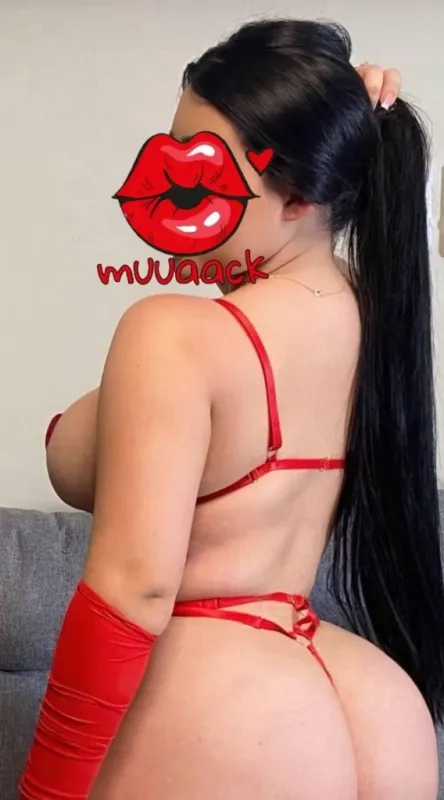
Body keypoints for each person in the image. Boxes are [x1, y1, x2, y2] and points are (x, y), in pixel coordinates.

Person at [19, 18, 444, 800]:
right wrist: (338, 119)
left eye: (199, 163)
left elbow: (133, 588)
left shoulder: (174, 335)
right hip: (377, 707)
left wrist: (48, 791)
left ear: (300, 192)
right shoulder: (371, 318)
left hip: (225, 708)